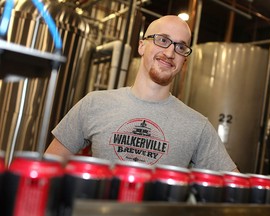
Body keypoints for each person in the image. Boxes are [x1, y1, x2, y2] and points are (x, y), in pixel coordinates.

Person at [45, 15, 238, 172]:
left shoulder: (198, 126)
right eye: (162, 40)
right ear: (141, 46)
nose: (170, 53)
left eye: (180, 47)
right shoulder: (94, 104)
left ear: (183, 61)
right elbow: (47, 167)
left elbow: (235, 189)